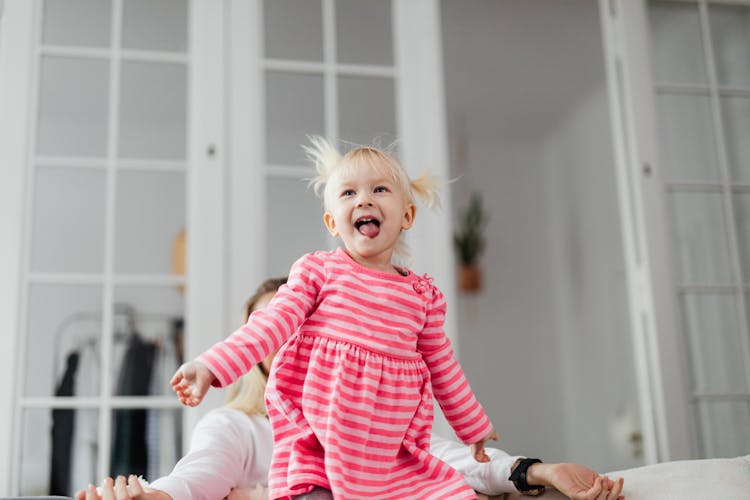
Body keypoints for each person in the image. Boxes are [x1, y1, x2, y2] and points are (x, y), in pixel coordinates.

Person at [170, 138, 620, 500]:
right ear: (332, 221)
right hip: (323, 442)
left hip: (390, 448)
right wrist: (211, 366)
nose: (364, 199)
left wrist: (473, 427)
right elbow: (269, 327)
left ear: (406, 215)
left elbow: (443, 367)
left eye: (379, 189)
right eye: (349, 193)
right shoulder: (318, 272)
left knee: (446, 488)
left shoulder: (420, 295)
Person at [78, 277, 623, 500]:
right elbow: (199, 476)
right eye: (266, 332)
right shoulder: (236, 427)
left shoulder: (373, 419)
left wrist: (536, 471)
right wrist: (156, 495)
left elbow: (449, 457)